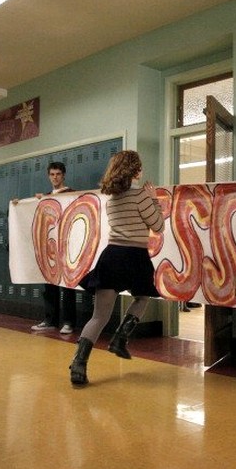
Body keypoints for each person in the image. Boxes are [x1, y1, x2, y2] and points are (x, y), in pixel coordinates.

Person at [70, 150, 165, 387]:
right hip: (135, 256)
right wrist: (154, 199)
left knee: (99, 317)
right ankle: (120, 338)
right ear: (135, 170)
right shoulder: (140, 195)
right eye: (139, 167)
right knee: (142, 298)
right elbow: (158, 226)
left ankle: (79, 364)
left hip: (112, 256)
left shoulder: (111, 199)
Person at [30, 161, 77, 335]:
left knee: (67, 286)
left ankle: (69, 322)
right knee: (49, 285)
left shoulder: (72, 194)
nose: (55, 177)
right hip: (50, 248)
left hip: (67, 248)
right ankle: (50, 320)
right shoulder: (46, 197)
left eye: (58, 174)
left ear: (63, 175)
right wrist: (20, 204)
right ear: (48, 176)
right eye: (52, 174)